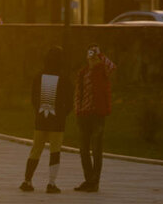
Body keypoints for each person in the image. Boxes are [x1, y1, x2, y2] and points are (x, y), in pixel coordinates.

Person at [20, 46, 73, 194]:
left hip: (41, 120)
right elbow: (70, 101)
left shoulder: (39, 77)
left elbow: (33, 98)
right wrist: (63, 114)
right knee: (55, 151)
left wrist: (39, 112)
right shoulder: (64, 79)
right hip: (57, 122)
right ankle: (51, 183)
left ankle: (27, 180)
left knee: (36, 150)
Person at [74, 44, 116, 193]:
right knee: (83, 150)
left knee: (96, 149)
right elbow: (79, 93)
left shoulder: (103, 71)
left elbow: (112, 67)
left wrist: (100, 56)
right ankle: (88, 180)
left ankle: (94, 182)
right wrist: (77, 110)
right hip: (84, 114)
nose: (92, 60)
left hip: (97, 114)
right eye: (90, 57)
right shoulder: (83, 72)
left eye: (94, 58)